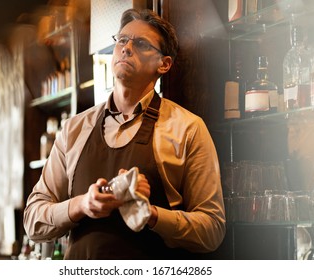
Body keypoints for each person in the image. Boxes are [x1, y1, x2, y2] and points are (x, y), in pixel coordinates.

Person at [23, 8, 225, 260]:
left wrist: (150, 214)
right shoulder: (74, 129)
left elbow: (212, 230)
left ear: (164, 64)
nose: (126, 48)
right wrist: (83, 204)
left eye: (140, 43)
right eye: (122, 40)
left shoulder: (188, 128)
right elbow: (33, 220)